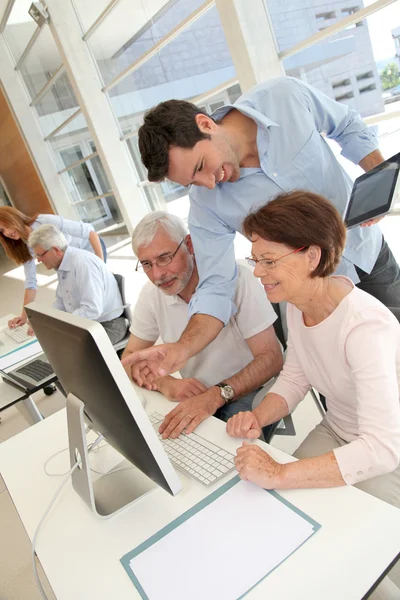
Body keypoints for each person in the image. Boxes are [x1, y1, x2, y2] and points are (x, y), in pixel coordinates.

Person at [125, 75, 400, 383]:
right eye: (193, 181)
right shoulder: (205, 204)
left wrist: (378, 173)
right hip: (314, 303)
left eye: (201, 166)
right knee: (353, 394)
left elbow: (346, 125)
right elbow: (216, 287)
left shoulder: (284, 97)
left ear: (205, 123)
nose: (208, 183)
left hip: (369, 256)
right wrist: (182, 348)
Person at [226, 190, 400, 589]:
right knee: (284, 513)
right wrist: (258, 415)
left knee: (350, 547)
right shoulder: (297, 304)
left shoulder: (364, 327)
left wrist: (281, 471)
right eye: (256, 260)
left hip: (389, 451)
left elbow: (381, 448)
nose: (257, 272)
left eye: (269, 261)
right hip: (340, 430)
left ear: (312, 256)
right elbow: (294, 377)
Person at [121, 211, 282, 439]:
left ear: (189, 244)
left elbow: (272, 359)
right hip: (195, 393)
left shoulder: (238, 280)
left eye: (165, 258)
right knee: (163, 444)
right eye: (147, 264)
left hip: (248, 388)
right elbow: (130, 358)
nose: (158, 274)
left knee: (227, 455)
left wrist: (214, 396)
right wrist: (166, 384)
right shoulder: (151, 295)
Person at [0, 207, 106, 331]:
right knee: (77, 298)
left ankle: (103, 325)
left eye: (5, 227)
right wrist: (24, 316)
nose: (7, 233)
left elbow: (90, 232)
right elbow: (31, 283)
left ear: (12, 218)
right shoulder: (23, 245)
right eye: (2, 232)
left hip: (89, 250)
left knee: (92, 294)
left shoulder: (45, 221)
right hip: (68, 263)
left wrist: (100, 265)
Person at [28, 224, 127, 345]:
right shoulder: (62, 265)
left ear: (56, 250)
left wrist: (63, 323)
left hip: (109, 325)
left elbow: (92, 309)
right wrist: (46, 322)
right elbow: (61, 303)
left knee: (69, 351)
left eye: (40, 255)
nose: (38, 260)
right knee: (52, 342)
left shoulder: (83, 264)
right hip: (89, 323)